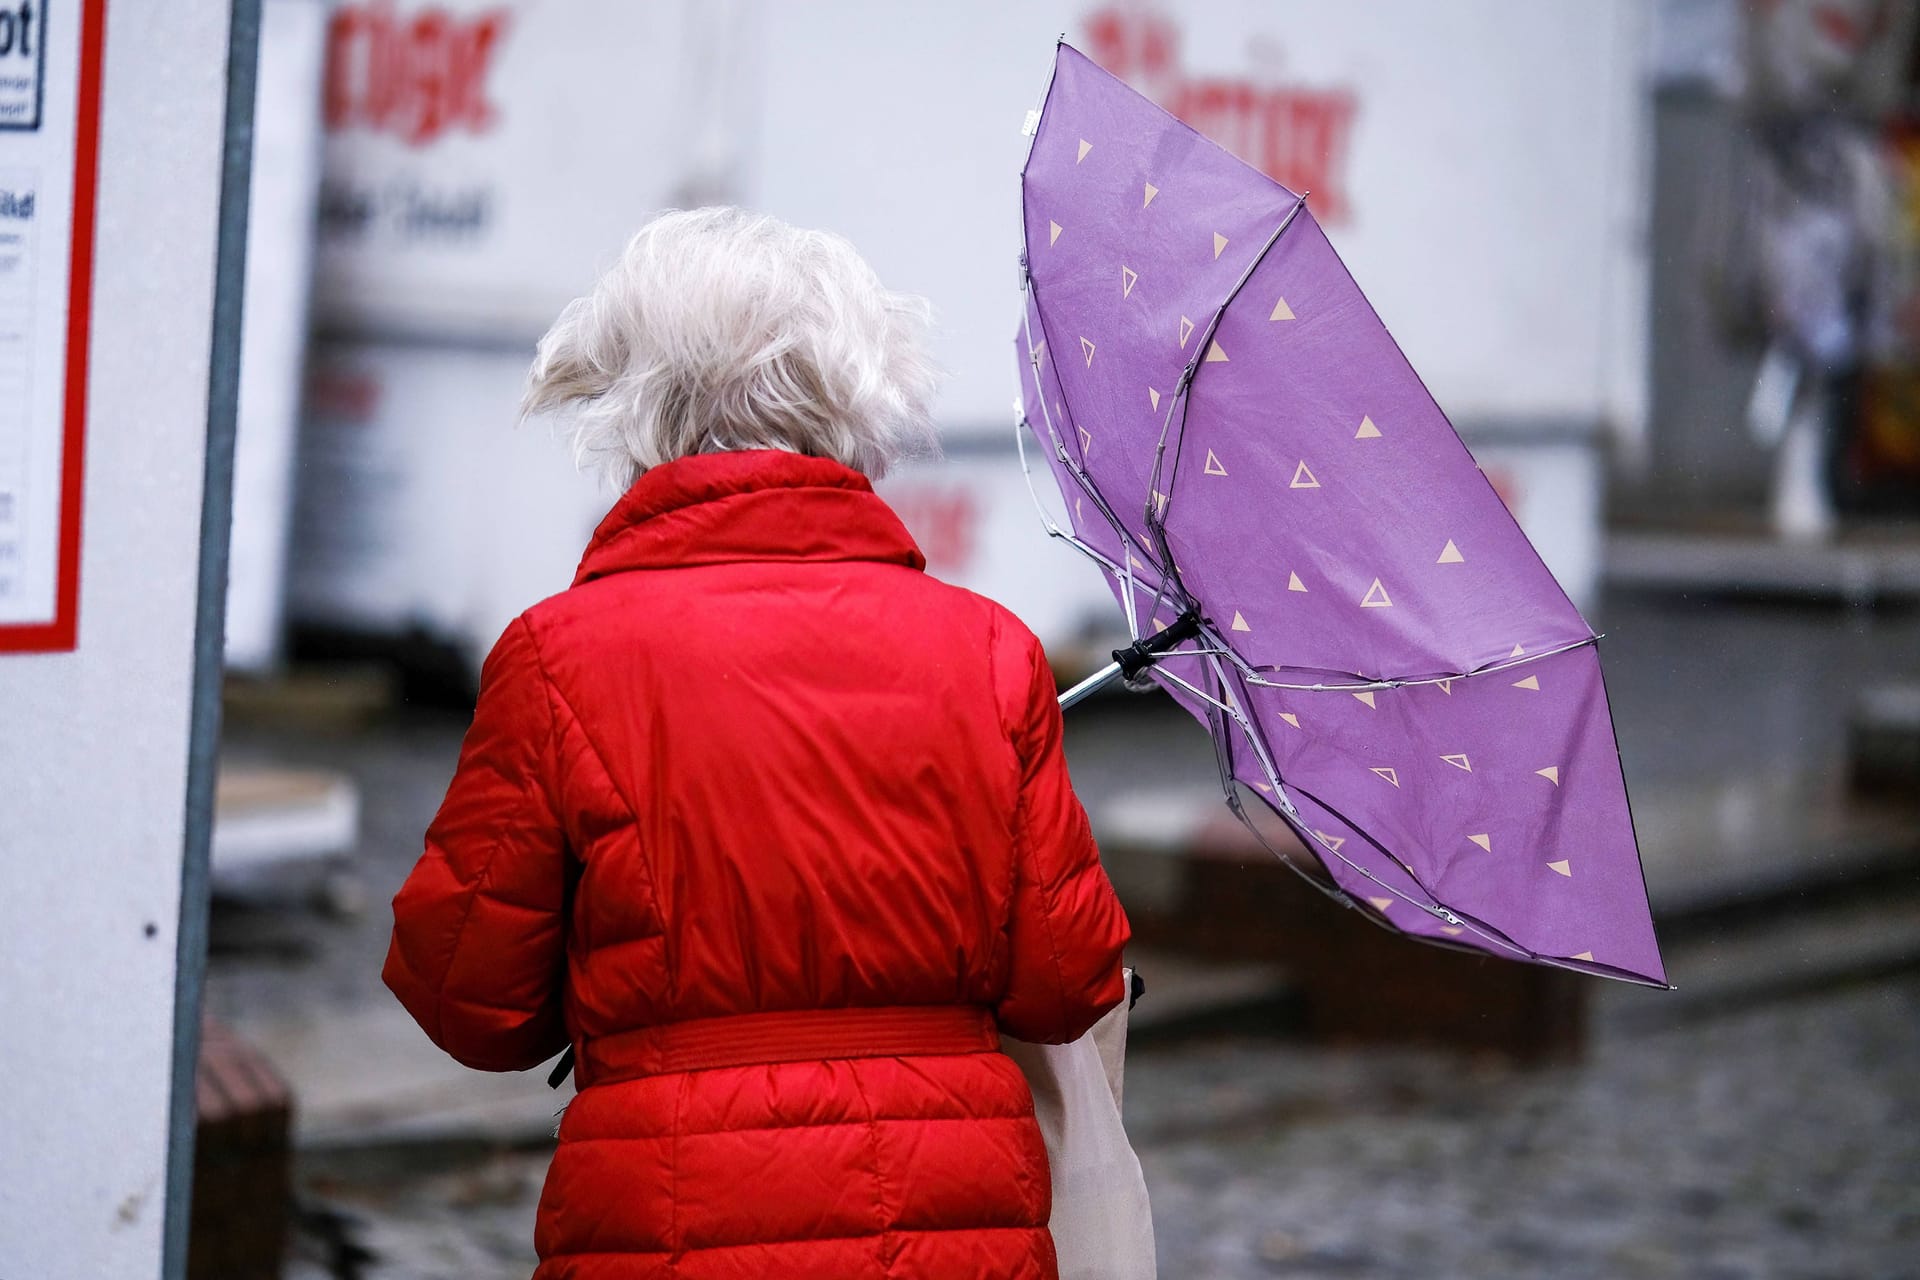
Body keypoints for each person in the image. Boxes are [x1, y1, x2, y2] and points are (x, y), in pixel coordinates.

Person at [383, 207, 1132, 1280]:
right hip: (955, 1217)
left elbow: (466, 994)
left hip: (667, 1214)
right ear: (861, 397)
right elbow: (1067, 979)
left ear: (635, 401)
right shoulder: (990, 652)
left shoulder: (560, 656)